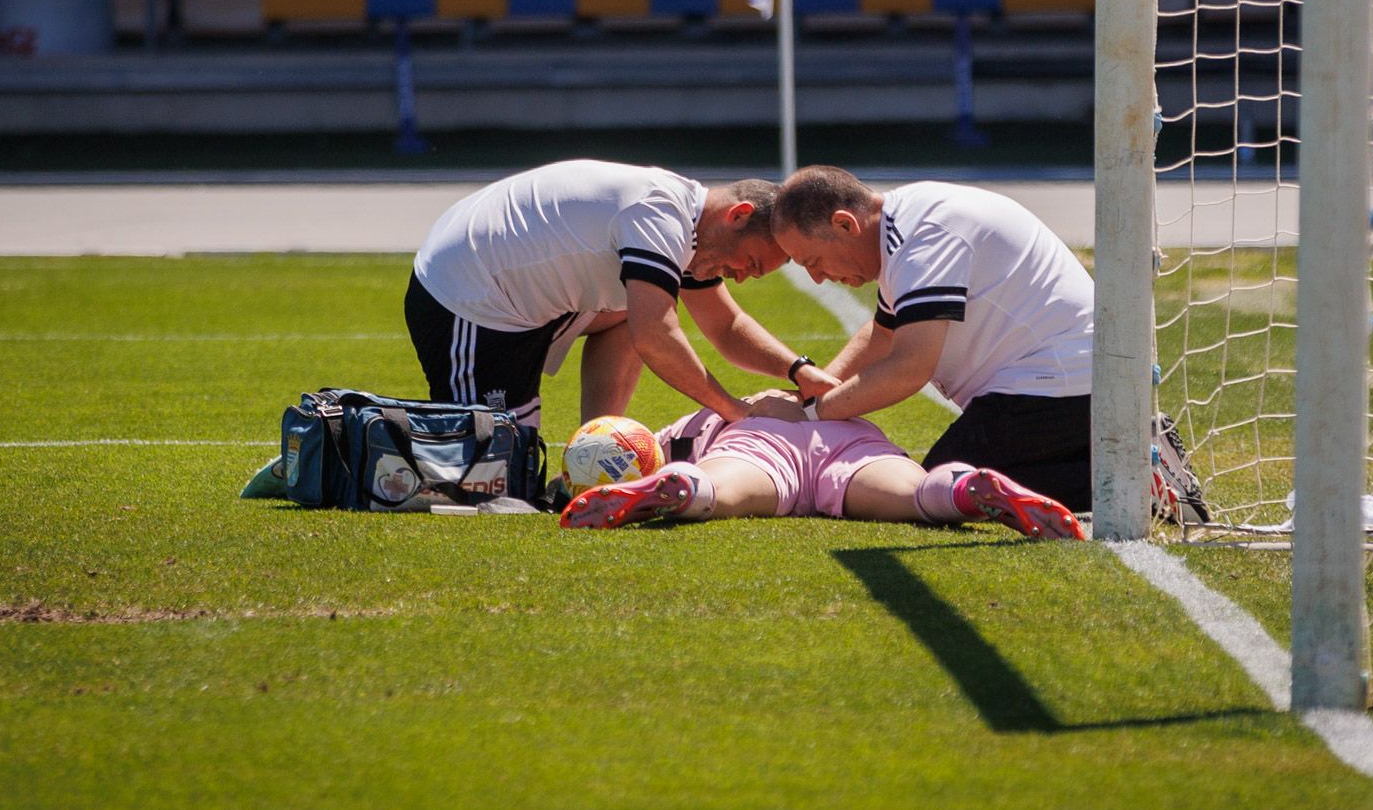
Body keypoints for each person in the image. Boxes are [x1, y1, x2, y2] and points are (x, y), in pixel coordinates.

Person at [755, 164, 1096, 512]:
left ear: (845, 224)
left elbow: (909, 367)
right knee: (946, 486)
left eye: (814, 261)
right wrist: (814, 391)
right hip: (1064, 379)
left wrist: (811, 415)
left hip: (1058, 383)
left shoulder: (922, 238)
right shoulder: (905, 222)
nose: (817, 278)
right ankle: (1120, 454)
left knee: (944, 489)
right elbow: (883, 334)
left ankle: (1135, 478)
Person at [405, 159, 839, 432]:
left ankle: (592, 444)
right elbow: (655, 335)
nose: (743, 277)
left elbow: (726, 326)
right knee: (492, 476)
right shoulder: (659, 216)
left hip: (520, 294)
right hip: (467, 296)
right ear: (738, 216)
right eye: (751, 262)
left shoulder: (690, 228)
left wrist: (797, 371)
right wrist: (735, 411)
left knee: (631, 312)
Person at [558, 400, 1086, 540]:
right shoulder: (759, 399)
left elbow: (648, 451)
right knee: (916, 497)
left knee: (718, 489)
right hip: (849, 435)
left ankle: (680, 490)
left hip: (759, 442)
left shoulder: (679, 432)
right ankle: (970, 489)